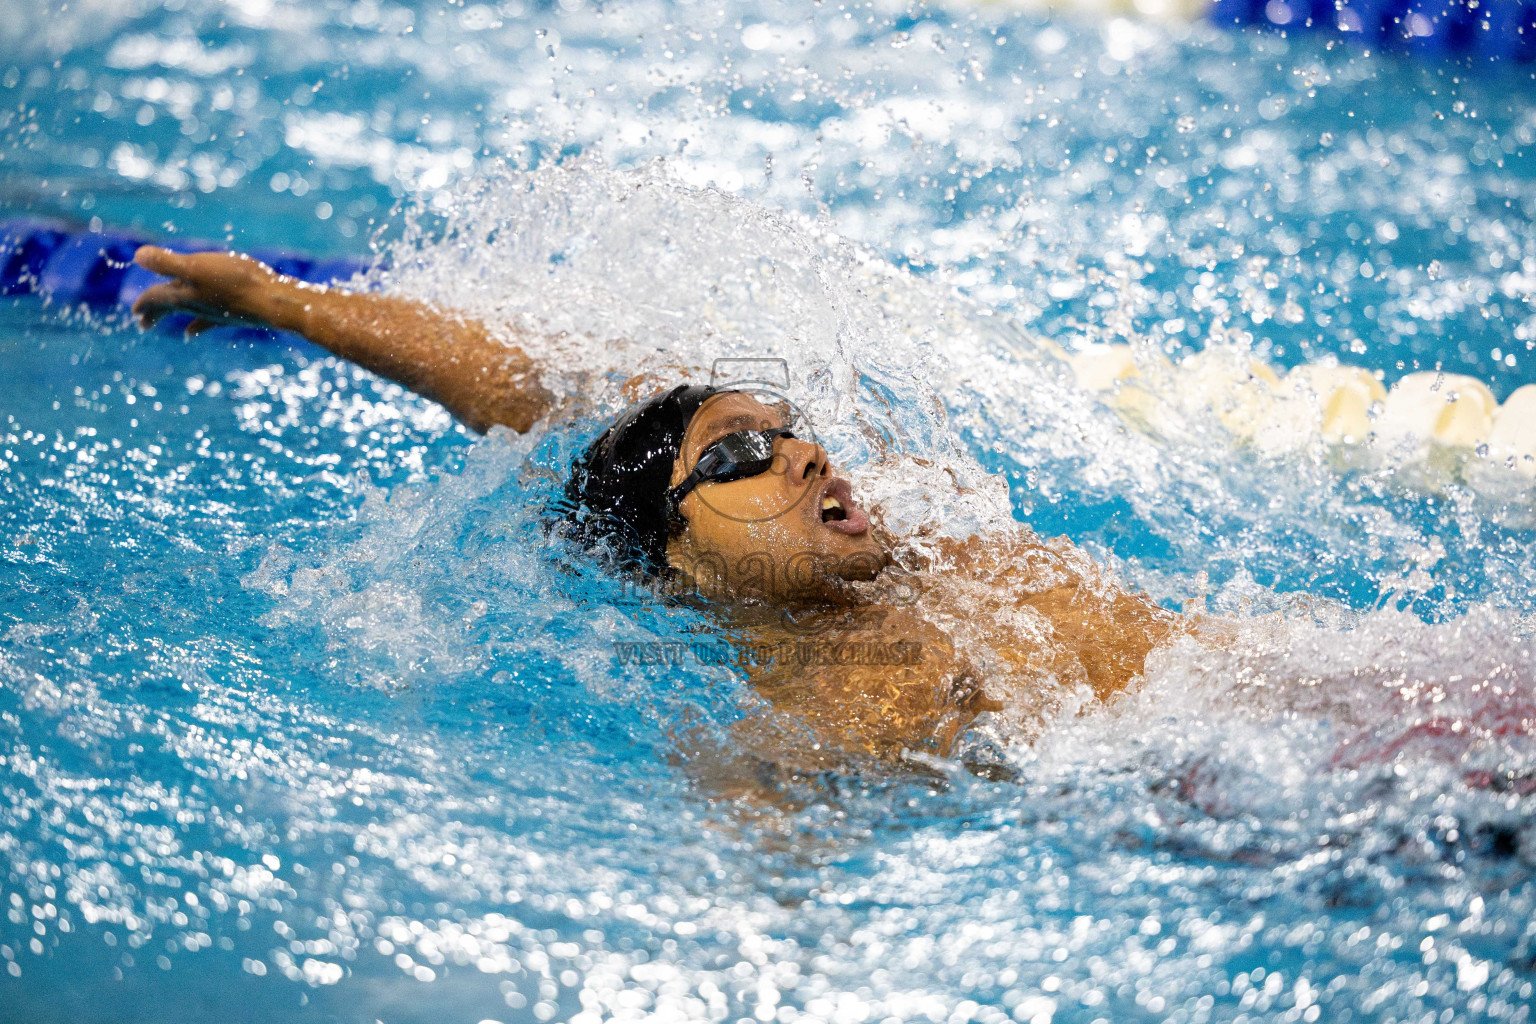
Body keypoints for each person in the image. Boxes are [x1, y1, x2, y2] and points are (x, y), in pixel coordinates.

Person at [130, 245, 1193, 790]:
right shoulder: (835, 709)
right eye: (740, 455)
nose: (804, 451)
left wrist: (282, 301)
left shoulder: (917, 544)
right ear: (678, 557)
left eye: (792, 429)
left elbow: (530, 399)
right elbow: (767, 834)